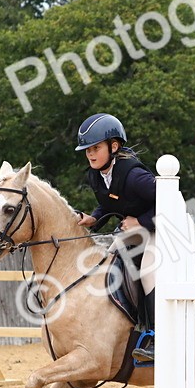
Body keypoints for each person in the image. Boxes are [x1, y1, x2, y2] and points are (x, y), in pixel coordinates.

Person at [74, 113, 158, 362]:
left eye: (95, 148)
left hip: (162, 228)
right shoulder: (96, 174)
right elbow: (110, 202)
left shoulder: (134, 175)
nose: (90, 154)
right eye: (87, 149)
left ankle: (156, 337)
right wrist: (94, 218)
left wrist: (139, 221)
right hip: (135, 232)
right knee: (109, 262)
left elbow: (171, 202)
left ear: (114, 146)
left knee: (147, 271)